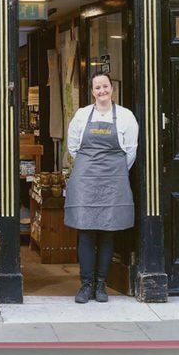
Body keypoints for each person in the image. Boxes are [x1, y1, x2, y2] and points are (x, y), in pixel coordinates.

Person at [64, 72, 139, 303]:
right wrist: (91, 167)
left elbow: (130, 152)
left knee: (108, 232)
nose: (102, 91)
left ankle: (101, 285)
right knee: (85, 232)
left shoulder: (126, 117)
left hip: (113, 182)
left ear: (111, 89)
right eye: (97, 88)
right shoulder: (82, 115)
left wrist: (113, 171)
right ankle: (85, 285)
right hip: (86, 180)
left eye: (105, 86)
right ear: (92, 91)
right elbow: (73, 147)